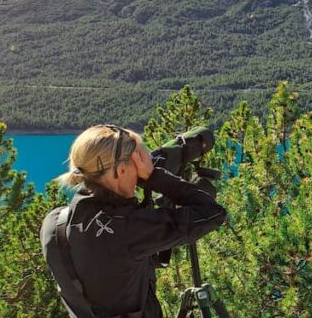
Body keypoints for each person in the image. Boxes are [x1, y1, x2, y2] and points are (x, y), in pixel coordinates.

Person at [41, 125, 227, 318]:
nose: (142, 171)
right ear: (121, 169)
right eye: (138, 164)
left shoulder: (55, 222)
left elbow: (113, 265)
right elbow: (213, 213)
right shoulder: (129, 229)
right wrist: (155, 177)